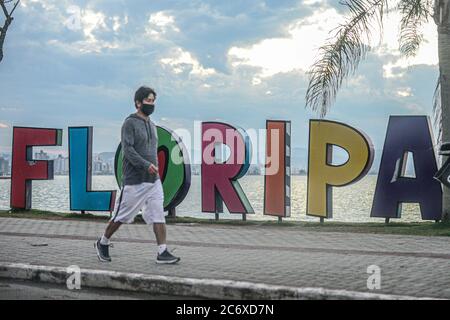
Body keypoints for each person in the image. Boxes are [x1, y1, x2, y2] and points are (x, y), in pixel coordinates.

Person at [94, 86, 180, 264]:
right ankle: (103, 242)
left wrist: (153, 166)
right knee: (122, 216)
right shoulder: (129, 123)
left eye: (153, 101)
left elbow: (152, 151)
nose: (151, 104)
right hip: (134, 181)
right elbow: (128, 150)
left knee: (158, 214)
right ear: (138, 103)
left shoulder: (152, 125)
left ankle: (162, 252)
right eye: (148, 101)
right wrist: (145, 164)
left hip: (153, 181)